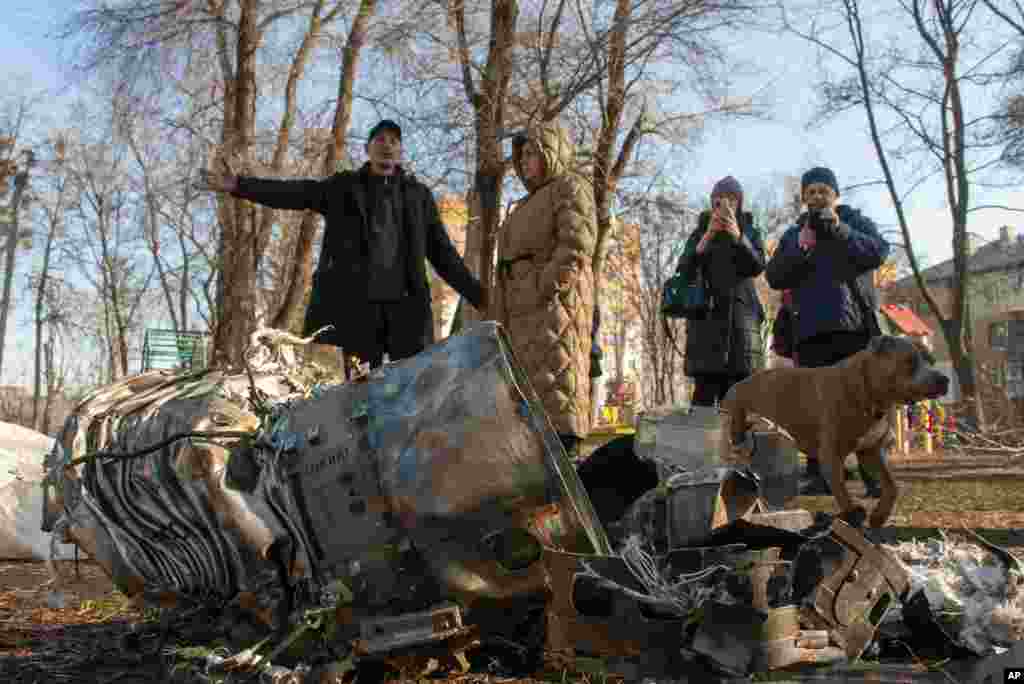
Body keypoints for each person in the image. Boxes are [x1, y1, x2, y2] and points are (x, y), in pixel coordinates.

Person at [199, 119, 484, 370]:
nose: (387, 145)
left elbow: (443, 254)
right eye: (380, 140)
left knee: (411, 390)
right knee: (359, 395)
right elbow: (295, 193)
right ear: (368, 149)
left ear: (400, 152)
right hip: (359, 312)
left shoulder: (418, 196)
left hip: (406, 312)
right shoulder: (344, 188)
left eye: (394, 141)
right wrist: (238, 185)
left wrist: (480, 297)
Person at [765, 166, 890, 496]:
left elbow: (879, 251)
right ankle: (821, 474)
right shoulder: (794, 233)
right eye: (811, 191)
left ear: (835, 195)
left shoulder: (854, 222)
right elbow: (775, 276)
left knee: (864, 403)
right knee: (814, 407)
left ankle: (873, 474)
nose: (817, 196)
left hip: (854, 330)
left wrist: (841, 230)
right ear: (804, 197)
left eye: (824, 190)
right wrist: (799, 250)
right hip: (809, 334)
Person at [491, 121, 596, 459]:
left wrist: (543, 286)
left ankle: (569, 487)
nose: (524, 162)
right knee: (529, 414)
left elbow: (576, 245)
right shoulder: (522, 205)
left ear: (552, 152)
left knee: (557, 397)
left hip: (553, 314)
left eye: (532, 153)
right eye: (521, 156)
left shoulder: (570, 186)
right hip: (521, 317)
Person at [677, 176, 766, 407]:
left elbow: (757, 266)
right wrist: (707, 236)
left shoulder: (750, 230)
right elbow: (684, 269)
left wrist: (738, 235)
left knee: (737, 401)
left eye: (731, 201)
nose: (724, 206)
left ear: (739, 203)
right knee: (703, 397)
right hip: (705, 322)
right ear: (712, 203)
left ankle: (735, 444)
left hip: (740, 324)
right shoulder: (700, 232)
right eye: (718, 201)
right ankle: (699, 443)